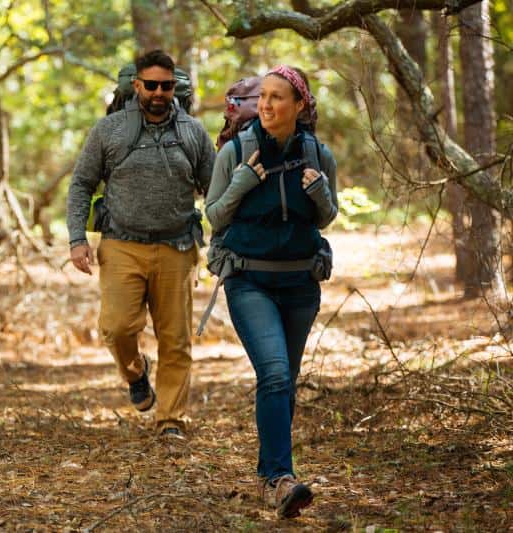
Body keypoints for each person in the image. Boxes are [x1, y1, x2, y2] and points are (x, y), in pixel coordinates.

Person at [205, 65, 338, 517]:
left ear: (299, 106)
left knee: (283, 383)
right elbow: (215, 217)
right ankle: (283, 480)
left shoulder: (319, 154)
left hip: (301, 283)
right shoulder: (236, 152)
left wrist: (320, 194)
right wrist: (242, 183)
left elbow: (325, 218)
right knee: (277, 374)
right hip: (249, 280)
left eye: (278, 97)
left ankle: (270, 473)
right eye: (262, 96)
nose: (266, 105)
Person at [66, 49, 216, 438]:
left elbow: (215, 190)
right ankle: (135, 373)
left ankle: (170, 420)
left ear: (175, 89)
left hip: (178, 247)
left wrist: (228, 239)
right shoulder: (110, 130)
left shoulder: (193, 132)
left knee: (175, 340)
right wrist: (77, 239)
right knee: (116, 328)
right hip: (121, 243)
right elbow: (82, 183)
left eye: (167, 86)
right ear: (136, 86)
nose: (159, 93)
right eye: (151, 85)